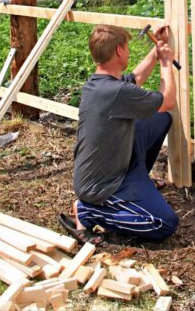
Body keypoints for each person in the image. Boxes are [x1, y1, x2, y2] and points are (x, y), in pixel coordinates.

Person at [59, 24, 178, 244]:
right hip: (101, 186)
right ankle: (87, 211)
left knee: (160, 119)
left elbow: (136, 78)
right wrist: (166, 63)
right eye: (127, 47)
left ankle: (140, 179)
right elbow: (168, 100)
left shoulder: (100, 84)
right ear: (119, 52)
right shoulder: (116, 92)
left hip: (116, 166)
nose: (129, 52)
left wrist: (155, 51)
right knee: (164, 223)